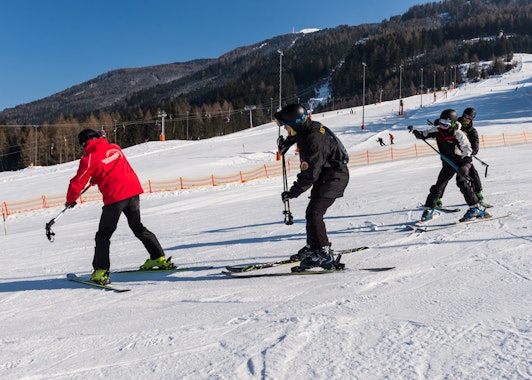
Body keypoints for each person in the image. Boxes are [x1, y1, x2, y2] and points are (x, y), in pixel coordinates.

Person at [65, 129, 173, 285]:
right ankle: (159, 258)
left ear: (84, 143)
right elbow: (112, 167)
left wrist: (70, 200)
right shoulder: (115, 148)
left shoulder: (88, 159)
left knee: (103, 235)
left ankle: (101, 271)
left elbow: (77, 182)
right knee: (138, 227)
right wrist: (98, 176)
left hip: (116, 197)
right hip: (133, 192)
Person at [275, 104, 350, 270]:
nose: (284, 128)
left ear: (296, 123)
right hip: (327, 175)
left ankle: (323, 253)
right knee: (312, 212)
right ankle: (313, 246)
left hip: (334, 177)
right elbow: (302, 133)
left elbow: (310, 173)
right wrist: (288, 142)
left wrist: (293, 192)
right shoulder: (310, 128)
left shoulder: (313, 141)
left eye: (285, 125)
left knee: (314, 212)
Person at [409, 109, 486, 222]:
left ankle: (475, 208)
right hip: (448, 163)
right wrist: (419, 134)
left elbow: (467, 150)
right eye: (441, 122)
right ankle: (430, 209)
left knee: (462, 183)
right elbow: (426, 133)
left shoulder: (459, 134)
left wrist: (466, 166)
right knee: (439, 186)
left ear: (453, 123)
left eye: (446, 124)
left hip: (460, 162)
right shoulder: (438, 130)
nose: (442, 126)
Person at [432, 107, 490, 209]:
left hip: (463, 157)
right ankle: (438, 198)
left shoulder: (472, 131)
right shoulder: (454, 122)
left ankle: (478, 194)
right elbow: (443, 126)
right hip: (449, 157)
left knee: (472, 174)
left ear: (472, 119)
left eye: (469, 118)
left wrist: (467, 152)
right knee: (443, 178)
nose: (466, 119)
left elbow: (475, 148)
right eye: (465, 116)